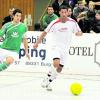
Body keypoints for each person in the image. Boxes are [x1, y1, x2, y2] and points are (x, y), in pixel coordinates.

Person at [33, 5, 82, 91]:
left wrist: (79, 34)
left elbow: (80, 32)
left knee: (59, 69)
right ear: (59, 12)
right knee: (56, 63)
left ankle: (48, 81)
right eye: (62, 12)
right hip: (56, 47)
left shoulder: (72, 22)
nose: (63, 14)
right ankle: (46, 78)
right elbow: (44, 33)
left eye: (65, 12)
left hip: (65, 49)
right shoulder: (54, 22)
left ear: (68, 12)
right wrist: (37, 42)